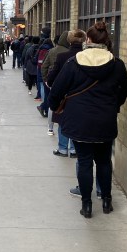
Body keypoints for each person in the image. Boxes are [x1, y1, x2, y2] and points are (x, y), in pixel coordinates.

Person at [48, 22, 127, 218]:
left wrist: (55, 106)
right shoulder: (117, 64)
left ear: (88, 40)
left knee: (84, 162)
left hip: (79, 121)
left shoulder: (73, 63)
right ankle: (107, 201)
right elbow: (125, 91)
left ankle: (86, 205)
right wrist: (113, 105)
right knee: (103, 161)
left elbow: (57, 90)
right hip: (106, 120)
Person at [48, 29, 85, 157]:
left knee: (63, 122)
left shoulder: (62, 57)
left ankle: (63, 148)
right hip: (82, 97)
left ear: (69, 40)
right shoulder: (86, 57)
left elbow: (53, 76)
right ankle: (75, 149)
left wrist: (50, 83)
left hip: (64, 96)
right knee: (77, 123)